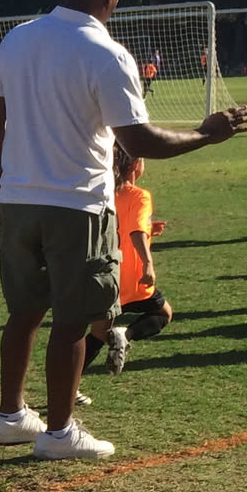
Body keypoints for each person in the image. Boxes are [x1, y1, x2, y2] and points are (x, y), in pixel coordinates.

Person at [0, 0, 247, 460]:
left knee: (24, 312)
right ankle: (59, 432)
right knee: (73, 319)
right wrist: (206, 133)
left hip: (18, 200)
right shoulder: (107, 53)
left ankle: (10, 416)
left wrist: (0, 178)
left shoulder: (18, 38)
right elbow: (140, 141)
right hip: (78, 204)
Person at [82, 147, 172, 378]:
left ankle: (67, 387)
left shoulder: (103, 193)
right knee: (163, 313)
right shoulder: (139, 196)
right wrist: (148, 263)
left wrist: (149, 229)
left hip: (104, 275)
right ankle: (126, 334)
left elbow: (121, 227)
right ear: (135, 165)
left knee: (99, 332)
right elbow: (136, 232)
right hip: (133, 279)